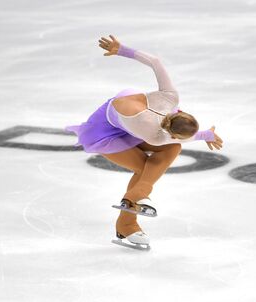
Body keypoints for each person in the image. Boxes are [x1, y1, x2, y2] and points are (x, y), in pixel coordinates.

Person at [65, 34, 224, 247]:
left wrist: (122, 50)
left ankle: (134, 200)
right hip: (103, 132)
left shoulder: (170, 97)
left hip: (126, 122)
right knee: (145, 169)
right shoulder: (152, 133)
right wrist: (204, 135)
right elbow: (176, 140)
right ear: (172, 130)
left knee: (170, 150)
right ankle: (129, 217)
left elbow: (155, 62)